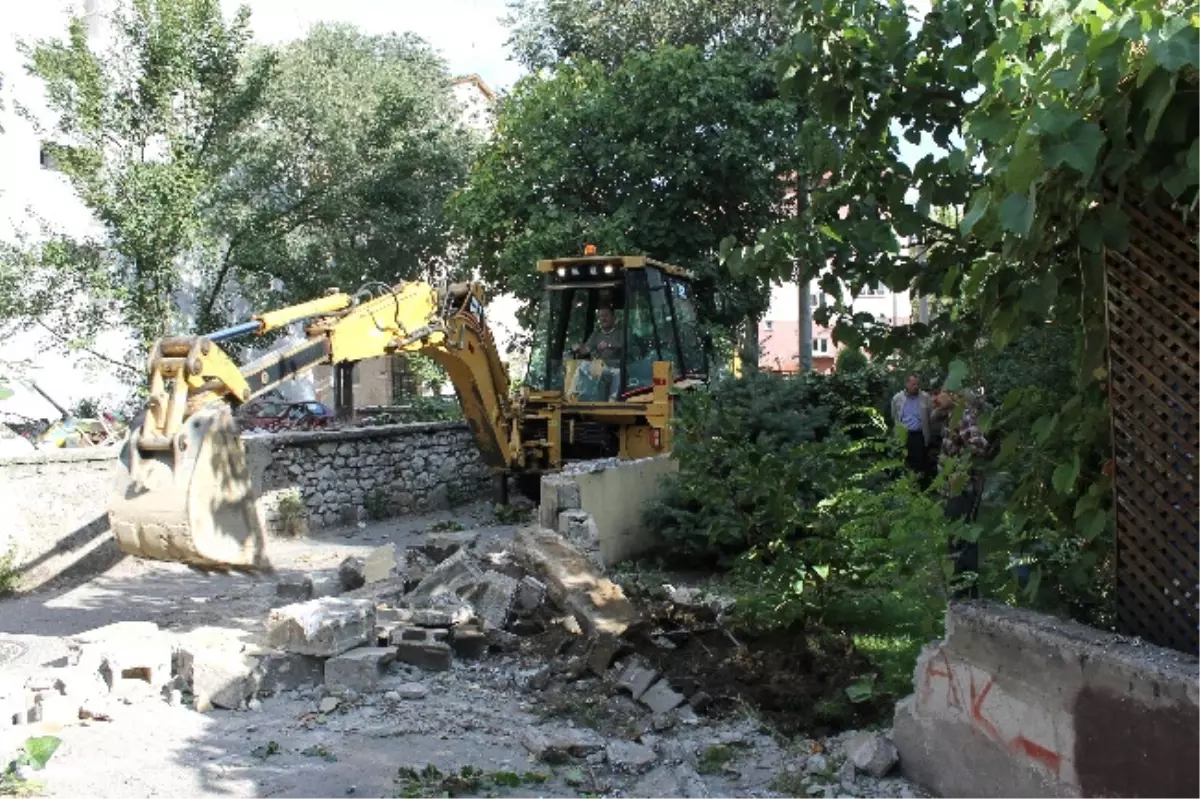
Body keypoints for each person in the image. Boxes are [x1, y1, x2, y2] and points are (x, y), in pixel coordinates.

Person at [932, 389, 990, 599]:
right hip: (953, 490)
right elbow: (934, 415)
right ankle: (963, 591)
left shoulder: (963, 416)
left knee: (961, 540)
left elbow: (979, 445)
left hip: (962, 490)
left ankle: (965, 594)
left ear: (955, 395)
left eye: (941, 393)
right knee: (957, 539)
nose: (935, 398)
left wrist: (961, 467)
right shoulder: (952, 415)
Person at [571, 306, 624, 401]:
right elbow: (586, 350)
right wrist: (578, 348)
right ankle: (573, 393)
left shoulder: (620, 332)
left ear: (613, 317)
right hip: (600, 366)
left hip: (615, 367)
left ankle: (613, 399)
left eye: (606, 315)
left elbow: (625, 345)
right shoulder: (596, 334)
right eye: (601, 316)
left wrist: (609, 345)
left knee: (619, 373)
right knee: (583, 365)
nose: (603, 318)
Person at [891, 374, 933, 483]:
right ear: (906, 384)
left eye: (918, 384)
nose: (916, 386)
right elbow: (894, 415)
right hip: (904, 435)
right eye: (913, 384)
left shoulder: (925, 397)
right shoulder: (897, 398)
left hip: (919, 435)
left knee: (920, 463)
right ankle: (906, 487)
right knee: (905, 462)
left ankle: (921, 487)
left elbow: (930, 415)